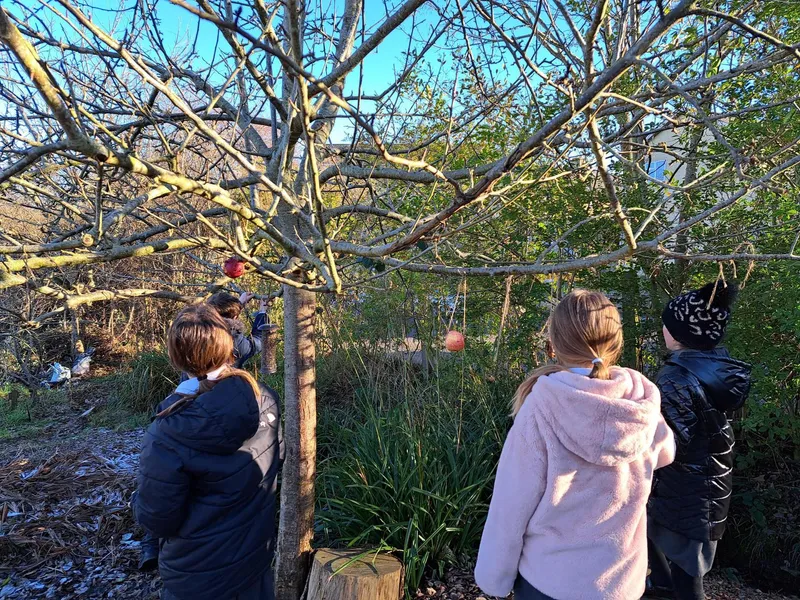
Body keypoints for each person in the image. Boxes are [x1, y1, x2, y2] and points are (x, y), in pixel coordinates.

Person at [475, 290, 675, 600]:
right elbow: (666, 452)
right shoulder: (639, 400)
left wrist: (494, 579)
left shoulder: (542, 405)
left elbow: (511, 505)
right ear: (616, 343)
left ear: (553, 344)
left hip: (550, 581)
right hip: (619, 583)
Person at [133, 304, 283, 600]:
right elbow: (277, 460)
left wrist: (138, 499)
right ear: (228, 345)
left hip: (197, 575)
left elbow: (157, 519)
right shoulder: (263, 399)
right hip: (254, 562)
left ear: (177, 357)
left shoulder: (167, 431)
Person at [647, 281, 751, 600]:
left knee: (687, 575)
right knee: (679, 560)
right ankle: (661, 586)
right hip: (707, 487)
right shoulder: (715, 370)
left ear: (680, 333)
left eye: (667, 323)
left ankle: (666, 587)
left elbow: (668, 446)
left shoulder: (677, 378)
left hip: (682, 491)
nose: (663, 327)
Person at [207, 291, 269, 369]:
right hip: (221, 380)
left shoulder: (194, 330)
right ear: (235, 318)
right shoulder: (232, 340)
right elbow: (256, 344)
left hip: (190, 379)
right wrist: (262, 312)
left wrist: (238, 304)